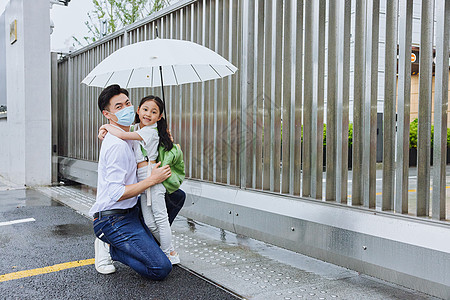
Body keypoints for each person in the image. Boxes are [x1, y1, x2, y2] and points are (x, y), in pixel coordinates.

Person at [90, 84, 174, 279]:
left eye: (127, 103)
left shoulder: (131, 135)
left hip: (132, 212)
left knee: (176, 197)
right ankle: (112, 248)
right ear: (107, 114)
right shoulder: (117, 145)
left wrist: (165, 136)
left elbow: (145, 137)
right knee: (160, 268)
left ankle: (130, 242)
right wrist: (152, 180)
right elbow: (116, 194)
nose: (126, 108)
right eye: (118, 107)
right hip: (113, 218)